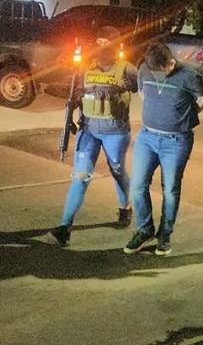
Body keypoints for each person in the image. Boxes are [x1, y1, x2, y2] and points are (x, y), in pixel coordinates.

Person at [51, 26, 138, 247]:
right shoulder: (86, 67)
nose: (101, 48)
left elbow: (145, 87)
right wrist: (72, 105)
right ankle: (64, 227)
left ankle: (125, 207)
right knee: (80, 177)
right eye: (98, 43)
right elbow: (73, 90)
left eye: (106, 43)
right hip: (88, 129)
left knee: (117, 170)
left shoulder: (127, 69)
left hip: (115, 131)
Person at [123, 43, 203, 256]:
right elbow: (143, 94)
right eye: (158, 72)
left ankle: (165, 234)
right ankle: (145, 230)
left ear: (171, 61)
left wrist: (183, 113)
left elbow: (202, 99)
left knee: (170, 190)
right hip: (147, 137)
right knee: (137, 185)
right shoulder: (144, 70)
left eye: (166, 68)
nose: (163, 73)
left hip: (176, 140)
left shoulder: (189, 75)